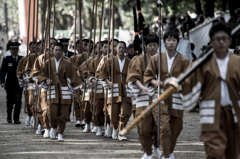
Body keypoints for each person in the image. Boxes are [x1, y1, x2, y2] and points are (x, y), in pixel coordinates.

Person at [166, 22, 240, 159]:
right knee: (215, 153)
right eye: (218, 39)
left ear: (230, 40)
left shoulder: (237, 62)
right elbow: (187, 82)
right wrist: (176, 84)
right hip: (211, 113)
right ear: (211, 41)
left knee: (232, 153)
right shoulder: (201, 64)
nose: (221, 42)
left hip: (233, 113)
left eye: (225, 39)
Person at [144, 31, 190, 159]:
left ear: (177, 42)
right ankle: (168, 156)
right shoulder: (156, 58)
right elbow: (148, 75)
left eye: (173, 40)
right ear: (164, 42)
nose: (171, 42)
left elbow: (189, 79)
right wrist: (154, 81)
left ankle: (168, 151)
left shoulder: (184, 61)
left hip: (176, 98)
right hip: (161, 96)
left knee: (176, 128)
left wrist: (179, 84)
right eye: (168, 40)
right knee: (164, 128)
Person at [127, 34, 162, 159]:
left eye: (155, 45)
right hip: (143, 95)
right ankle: (147, 152)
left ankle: (156, 148)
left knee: (158, 126)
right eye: (150, 45)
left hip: (159, 96)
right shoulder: (139, 59)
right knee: (143, 127)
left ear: (158, 46)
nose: (152, 48)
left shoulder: (162, 59)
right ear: (145, 46)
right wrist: (142, 87)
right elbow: (133, 77)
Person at [38, 42, 81, 141]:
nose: (57, 52)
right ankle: (53, 127)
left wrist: (75, 92)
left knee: (64, 113)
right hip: (52, 89)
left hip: (64, 89)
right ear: (52, 51)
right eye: (55, 50)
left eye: (59, 50)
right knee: (52, 112)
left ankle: (60, 132)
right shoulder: (47, 63)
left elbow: (73, 77)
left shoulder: (68, 63)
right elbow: (42, 75)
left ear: (62, 51)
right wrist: (46, 80)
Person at [99, 41, 132, 141]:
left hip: (126, 90)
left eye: (123, 48)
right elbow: (102, 74)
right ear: (115, 49)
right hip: (114, 88)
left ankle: (121, 132)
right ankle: (115, 128)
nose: (121, 49)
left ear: (125, 49)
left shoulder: (129, 62)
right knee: (113, 112)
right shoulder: (109, 61)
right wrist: (108, 82)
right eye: (119, 48)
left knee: (125, 112)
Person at [0, 42, 23, 124]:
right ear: (10, 49)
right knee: (10, 101)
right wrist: (2, 82)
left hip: (19, 84)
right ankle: (9, 116)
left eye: (16, 49)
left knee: (18, 100)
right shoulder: (6, 59)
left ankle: (16, 118)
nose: (15, 51)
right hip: (9, 84)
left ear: (18, 49)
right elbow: (2, 72)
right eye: (13, 49)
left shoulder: (22, 59)